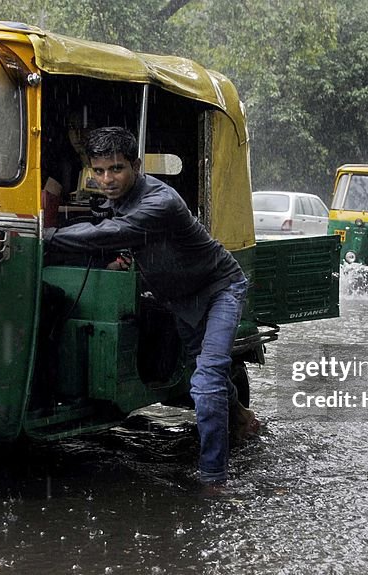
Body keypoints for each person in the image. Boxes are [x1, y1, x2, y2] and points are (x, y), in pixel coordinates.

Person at [44, 127, 258, 488]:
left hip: (218, 288)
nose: (107, 180)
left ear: (136, 165)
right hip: (178, 298)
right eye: (98, 171)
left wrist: (44, 236)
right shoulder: (118, 201)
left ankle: (214, 480)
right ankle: (241, 417)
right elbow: (117, 233)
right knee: (205, 375)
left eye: (116, 169)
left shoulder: (162, 202)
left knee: (205, 382)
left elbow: (111, 233)